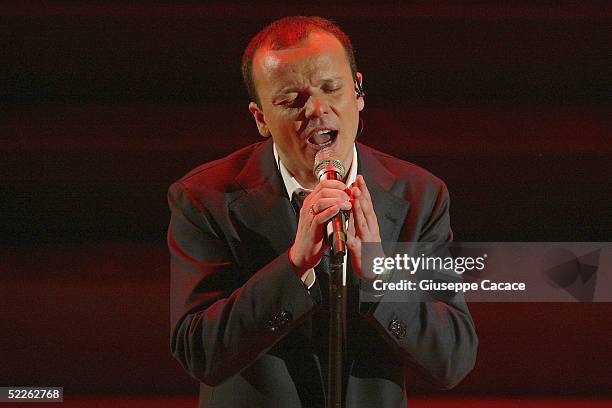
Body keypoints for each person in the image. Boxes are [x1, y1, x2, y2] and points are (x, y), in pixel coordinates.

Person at [167, 16, 477, 408]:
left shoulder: (420, 195)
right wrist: (294, 265)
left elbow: (452, 359)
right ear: (260, 117)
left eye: (331, 89)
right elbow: (199, 353)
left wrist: (381, 278)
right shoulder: (203, 197)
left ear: (359, 91)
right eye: (289, 100)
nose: (316, 109)